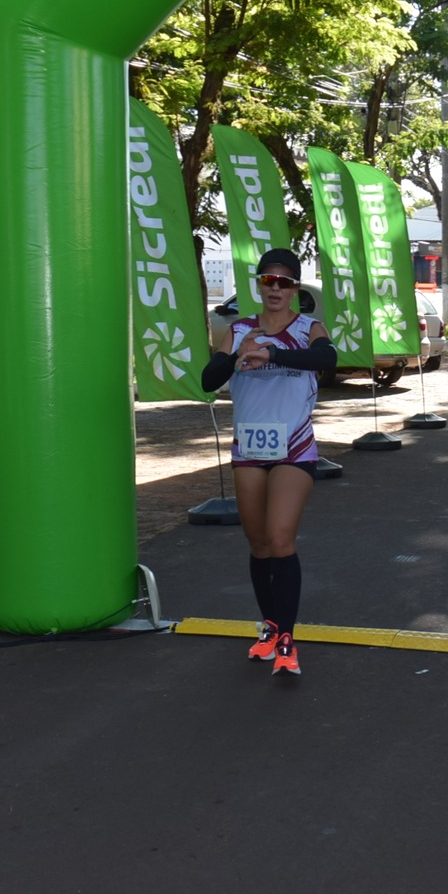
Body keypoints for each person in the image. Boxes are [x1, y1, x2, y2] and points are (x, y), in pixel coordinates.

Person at [200, 247, 336, 677]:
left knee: (280, 539)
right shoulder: (239, 330)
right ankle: (271, 626)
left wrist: (271, 355)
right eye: (268, 281)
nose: (275, 288)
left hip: (294, 447)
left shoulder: (309, 328)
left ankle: (288, 639)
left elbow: (325, 360)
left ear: (295, 288)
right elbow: (208, 379)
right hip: (250, 450)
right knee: (258, 545)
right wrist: (234, 356)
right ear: (258, 284)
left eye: (284, 282)